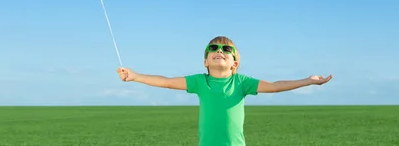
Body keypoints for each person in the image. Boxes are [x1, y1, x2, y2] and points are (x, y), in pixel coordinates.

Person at [117, 35, 333, 146]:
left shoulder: (241, 82)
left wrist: (308, 81)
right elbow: (166, 82)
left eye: (226, 50)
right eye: (213, 48)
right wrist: (136, 76)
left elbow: (276, 86)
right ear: (205, 61)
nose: (219, 51)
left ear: (235, 64)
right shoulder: (200, 82)